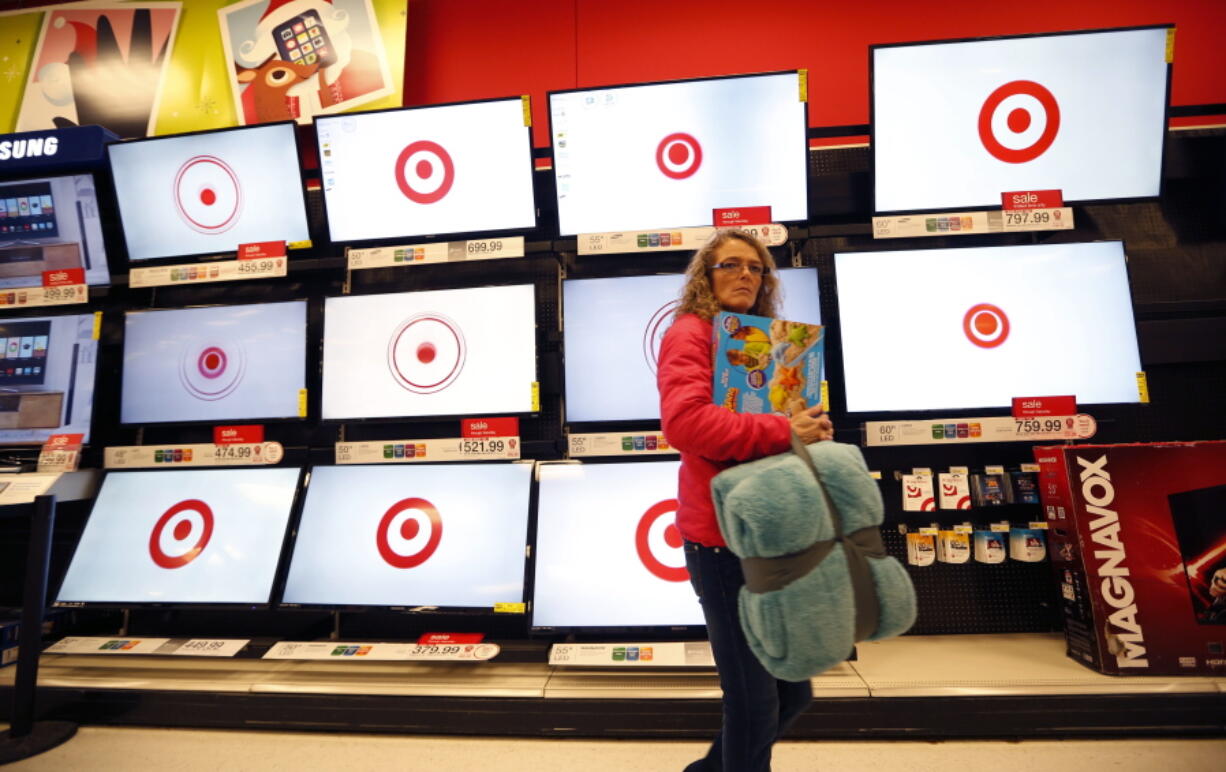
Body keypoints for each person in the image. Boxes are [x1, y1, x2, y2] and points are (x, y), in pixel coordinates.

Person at [657, 228, 834, 772]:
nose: (745, 276)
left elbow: (778, 422)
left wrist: (813, 429)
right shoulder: (690, 333)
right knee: (755, 707)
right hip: (721, 542)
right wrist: (784, 430)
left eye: (756, 268)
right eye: (730, 265)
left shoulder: (770, 339)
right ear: (705, 277)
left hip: (771, 534)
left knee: (792, 695)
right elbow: (686, 424)